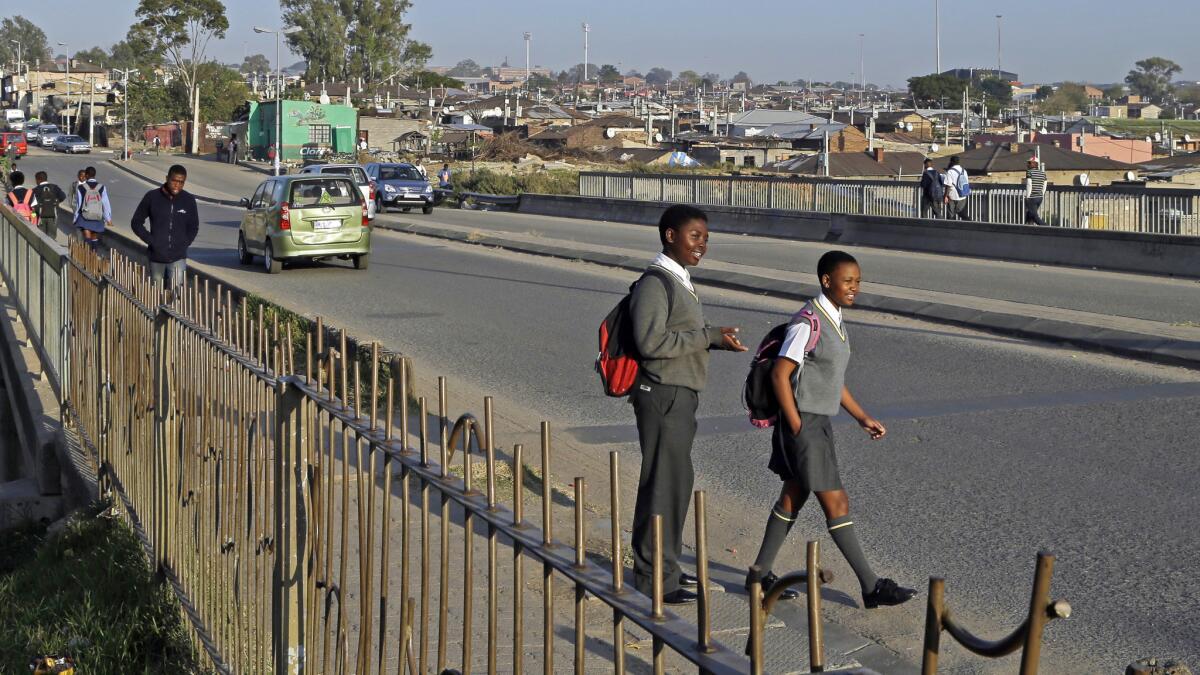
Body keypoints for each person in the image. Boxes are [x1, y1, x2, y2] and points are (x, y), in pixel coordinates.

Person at [746, 250, 916, 609]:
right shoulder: (808, 322)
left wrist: (862, 417)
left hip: (817, 423)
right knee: (836, 502)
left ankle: (759, 575)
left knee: (793, 497)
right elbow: (780, 374)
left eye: (857, 281)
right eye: (847, 280)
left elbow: (833, 381)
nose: (854, 287)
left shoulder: (835, 319)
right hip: (804, 423)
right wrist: (795, 425)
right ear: (827, 281)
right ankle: (872, 587)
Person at [629, 204, 747, 604]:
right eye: (695, 236)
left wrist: (712, 337)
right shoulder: (655, 283)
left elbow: (677, 335)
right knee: (662, 486)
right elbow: (651, 343)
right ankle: (652, 578)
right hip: (662, 395)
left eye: (706, 238)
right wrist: (706, 337)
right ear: (670, 236)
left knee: (676, 485)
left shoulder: (679, 279)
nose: (702, 245)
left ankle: (668, 569)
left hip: (679, 396)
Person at [131, 164, 199, 290]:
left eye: (181, 182)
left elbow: (194, 226)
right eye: (174, 181)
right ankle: (157, 310)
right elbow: (136, 222)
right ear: (167, 178)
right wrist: (152, 241)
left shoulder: (188, 200)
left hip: (178, 257)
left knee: (176, 292)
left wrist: (184, 243)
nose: (177, 185)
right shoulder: (152, 197)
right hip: (157, 256)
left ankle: (173, 308)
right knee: (157, 293)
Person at [72, 166, 112, 249]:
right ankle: (94, 254)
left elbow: (79, 205)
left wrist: (75, 218)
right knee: (94, 237)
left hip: (85, 216)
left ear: (86, 175)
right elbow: (106, 204)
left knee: (87, 235)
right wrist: (108, 219)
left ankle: (87, 255)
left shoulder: (81, 187)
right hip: (97, 216)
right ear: (95, 175)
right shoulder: (102, 187)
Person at [32, 171, 67, 239]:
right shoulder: (54, 187)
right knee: (52, 238)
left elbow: (32, 204)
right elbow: (63, 196)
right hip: (53, 216)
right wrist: (56, 202)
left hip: (40, 217)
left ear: (38, 179)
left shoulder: (35, 190)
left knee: (41, 237)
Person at [942, 156, 970, 221]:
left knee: (951, 215)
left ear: (951, 162)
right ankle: (970, 225)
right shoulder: (964, 171)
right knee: (962, 213)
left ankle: (951, 228)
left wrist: (945, 196)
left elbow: (948, 185)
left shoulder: (950, 171)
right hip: (963, 196)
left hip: (952, 196)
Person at [1024, 156, 1048, 226]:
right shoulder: (1043, 173)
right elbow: (1045, 184)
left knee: (1034, 216)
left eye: (1029, 163)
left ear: (1034, 164)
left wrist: (1028, 196)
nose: (1027, 164)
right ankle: (1026, 227)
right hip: (1040, 197)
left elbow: (1029, 184)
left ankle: (1047, 228)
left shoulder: (1029, 172)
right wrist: (1042, 194)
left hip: (1032, 197)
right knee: (1030, 213)